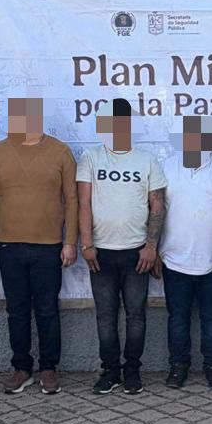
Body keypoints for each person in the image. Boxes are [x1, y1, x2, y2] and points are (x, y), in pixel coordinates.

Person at [0, 97, 78, 395]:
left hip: (49, 247)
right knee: (17, 311)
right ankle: (22, 368)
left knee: (47, 310)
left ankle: (48, 368)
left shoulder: (60, 152)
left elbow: (72, 200)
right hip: (9, 246)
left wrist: (70, 241)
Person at [77, 97, 167, 395]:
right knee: (105, 316)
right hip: (100, 253)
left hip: (136, 252)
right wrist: (87, 244)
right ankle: (110, 371)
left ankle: (132, 371)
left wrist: (151, 246)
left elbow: (157, 204)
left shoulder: (147, 160)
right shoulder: (91, 157)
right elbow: (84, 203)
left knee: (136, 315)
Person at [157, 115, 212, 390]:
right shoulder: (167, 168)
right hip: (173, 260)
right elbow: (155, 211)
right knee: (178, 319)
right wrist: (154, 249)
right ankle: (178, 367)